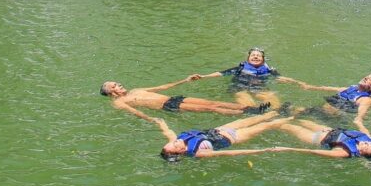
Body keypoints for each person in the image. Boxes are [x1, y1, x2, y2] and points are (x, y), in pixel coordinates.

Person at [100, 77, 268, 123]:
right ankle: (246, 115)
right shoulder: (119, 102)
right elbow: (134, 111)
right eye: (116, 85)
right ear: (111, 92)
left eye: (118, 82)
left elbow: (163, 87)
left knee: (212, 103)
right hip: (167, 106)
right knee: (211, 109)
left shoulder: (136, 90)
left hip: (173, 98)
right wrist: (151, 119)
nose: (120, 84)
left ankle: (251, 109)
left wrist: (185, 80)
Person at [155, 112, 292, 160]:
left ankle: (279, 111)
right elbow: (230, 153)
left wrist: (161, 123)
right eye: (174, 144)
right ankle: (294, 117)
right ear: (180, 151)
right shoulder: (198, 153)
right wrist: (262, 150)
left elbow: (169, 133)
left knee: (258, 118)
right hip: (234, 136)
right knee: (266, 125)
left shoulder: (179, 141)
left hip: (220, 129)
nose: (175, 141)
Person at [277, 73, 371, 131]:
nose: (366, 78)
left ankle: (282, 119)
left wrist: (359, 122)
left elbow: (361, 115)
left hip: (332, 118)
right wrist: (310, 87)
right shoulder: (353, 88)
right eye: (367, 77)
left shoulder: (366, 99)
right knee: (298, 111)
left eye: (370, 81)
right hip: (322, 110)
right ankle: (283, 116)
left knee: (302, 117)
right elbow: (333, 88)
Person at [190, 47, 280, 107]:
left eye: (258, 56)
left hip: (258, 87)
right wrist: (203, 76)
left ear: (263, 60)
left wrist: (294, 82)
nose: (255, 57)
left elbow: (281, 78)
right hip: (239, 88)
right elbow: (221, 73)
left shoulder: (269, 70)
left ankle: (277, 114)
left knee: (271, 98)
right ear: (248, 59)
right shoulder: (240, 68)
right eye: (253, 55)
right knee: (248, 103)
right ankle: (256, 114)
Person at [271, 117, 371, 161]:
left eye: (367, 146)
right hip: (329, 130)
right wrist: (359, 122)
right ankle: (279, 114)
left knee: (287, 126)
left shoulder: (344, 152)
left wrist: (287, 149)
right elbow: (365, 133)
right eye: (370, 143)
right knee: (299, 118)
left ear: (361, 152)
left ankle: (269, 121)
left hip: (316, 138)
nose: (367, 142)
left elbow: (314, 152)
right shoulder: (370, 141)